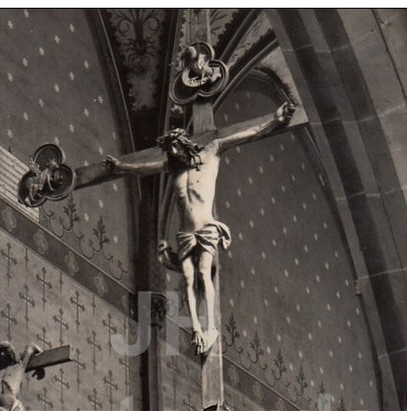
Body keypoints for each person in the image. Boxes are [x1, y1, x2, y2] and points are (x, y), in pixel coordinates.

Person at [104, 102, 294, 354]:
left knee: (204, 274)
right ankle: (196, 328)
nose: (174, 155)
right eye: (170, 152)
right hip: (185, 233)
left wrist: (275, 120)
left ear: (184, 143)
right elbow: (147, 175)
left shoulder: (212, 151)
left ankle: (211, 327)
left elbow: (246, 134)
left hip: (206, 228)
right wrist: (122, 168)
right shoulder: (174, 169)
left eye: (175, 149)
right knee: (189, 279)